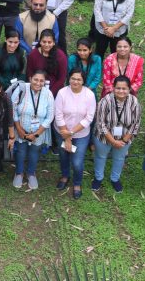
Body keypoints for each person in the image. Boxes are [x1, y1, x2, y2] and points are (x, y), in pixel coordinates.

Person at [91, 76, 141, 193]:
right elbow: (100, 123)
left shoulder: (134, 102)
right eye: (118, 88)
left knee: (119, 158)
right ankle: (98, 178)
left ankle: (115, 179)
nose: (121, 91)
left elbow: (136, 123)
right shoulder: (105, 101)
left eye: (124, 88)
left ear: (129, 89)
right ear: (113, 88)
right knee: (100, 157)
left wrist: (123, 140)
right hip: (104, 137)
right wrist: (113, 141)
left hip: (125, 138)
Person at [54, 68, 96, 199]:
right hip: (61, 131)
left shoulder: (89, 95)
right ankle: (65, 176)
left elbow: (89, 118)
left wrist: (70, 133)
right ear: (69, 79)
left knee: (77, 162)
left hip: (81, 134)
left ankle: (77, 183)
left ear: (83, 80)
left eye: (79, 79)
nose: (75, 81)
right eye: (73, 78)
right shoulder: (62, 93)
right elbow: (58, 115)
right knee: (63, 155)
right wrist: (66, 137)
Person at [11, 70, 54, 190]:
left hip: (39, 131)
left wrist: (36, 134)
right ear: (30, 79)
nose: (38, 83)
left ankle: (31, 173)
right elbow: (13, 109)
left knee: (34, 151)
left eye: (41, 81)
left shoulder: (48, 94)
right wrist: (19, 129)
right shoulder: (21, 89)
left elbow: (50, 116)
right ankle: (19, 172)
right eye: (36, 79)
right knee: (20, 151)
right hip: (21, 128)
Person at [26, 29, 68, 97]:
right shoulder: (33, 54)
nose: (46, 44)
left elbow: (61, 79)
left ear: (54, 42)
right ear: (40, 42)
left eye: (49, 42)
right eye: (44, 42)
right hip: (36, 87)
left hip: (54, 90)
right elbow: (30, 73)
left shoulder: (61, 56)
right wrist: (35, 88)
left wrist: (49, 93)